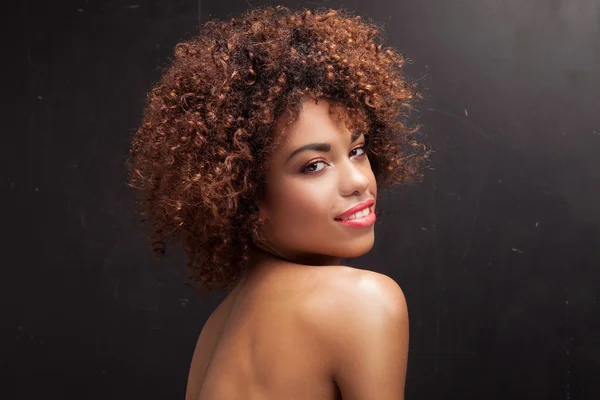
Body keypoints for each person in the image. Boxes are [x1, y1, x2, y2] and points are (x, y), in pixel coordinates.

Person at [127, 5, 426, 399]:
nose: (358, 182)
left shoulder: (216, 333)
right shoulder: (361, 302)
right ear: (247, 194)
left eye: (356, 150)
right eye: (314, 165)